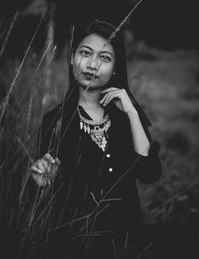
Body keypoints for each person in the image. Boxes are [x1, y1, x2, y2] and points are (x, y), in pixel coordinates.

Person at [29, 19, 161, 258]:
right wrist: (38, 183)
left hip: (126, 240)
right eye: (85, 53)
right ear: (72, 58)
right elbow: (38, 195)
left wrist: (131, 112)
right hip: (75, 244)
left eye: (105, 58)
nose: (92, 64)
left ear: (116, 69)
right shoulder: (56, 121)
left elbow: (149, 173)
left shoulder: (125, 120)